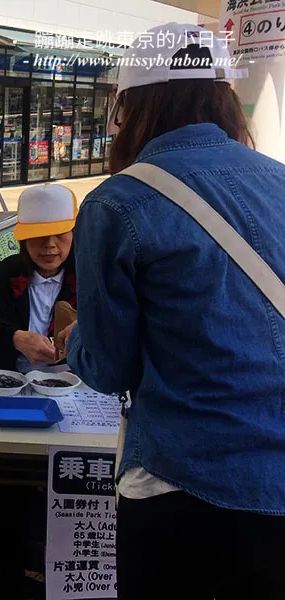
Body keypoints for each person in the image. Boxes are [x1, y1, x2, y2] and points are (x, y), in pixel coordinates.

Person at [62, 23, 285, 599]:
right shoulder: (281, 182)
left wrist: (74, 337)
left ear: (133, 106)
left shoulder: (119, 201)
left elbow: (109, 367)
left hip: (181, 482)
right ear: (222, 97)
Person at [0, 184, 76, 371]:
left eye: (59, 234)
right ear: (23, 240)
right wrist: (14, 338)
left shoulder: (89, 278)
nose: (49, 244)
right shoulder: (4, 273)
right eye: (39, 235)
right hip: (12, 379)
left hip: (72, 380)